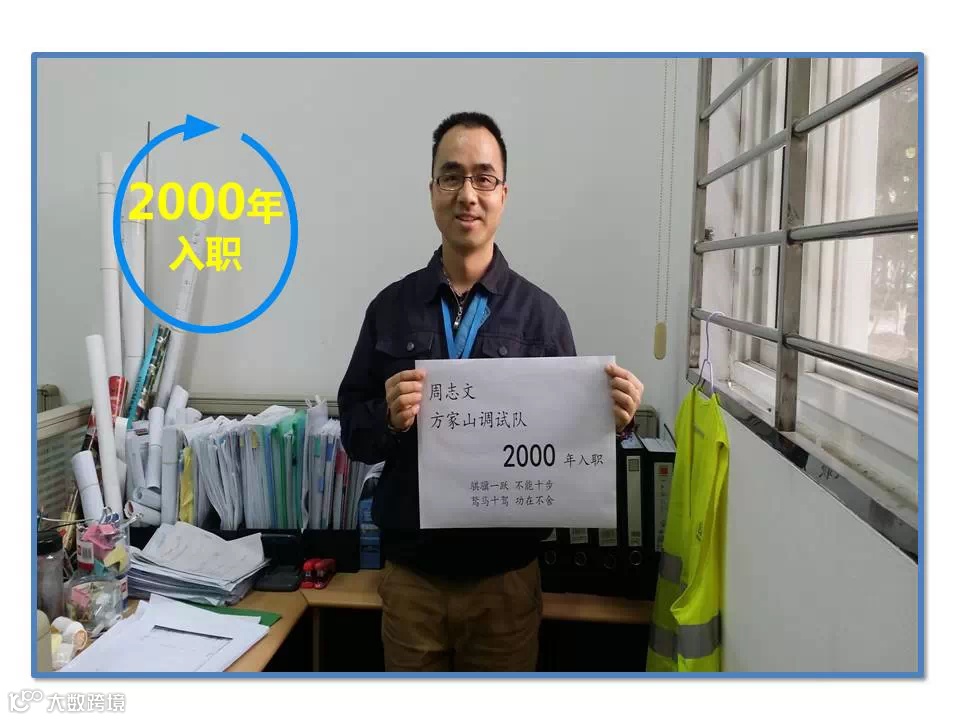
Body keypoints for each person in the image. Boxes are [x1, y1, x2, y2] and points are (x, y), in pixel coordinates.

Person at [338, 111, 644, 672]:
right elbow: (354, 434)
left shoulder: (542, 317)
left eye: (484, 178)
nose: (467, 194)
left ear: (503, 193)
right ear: (432, 189)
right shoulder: (390, 309)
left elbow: (568, 447)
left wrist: (614, 423)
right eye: (451, 176)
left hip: (505, 582)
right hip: (412, 582)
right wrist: (387, 417)